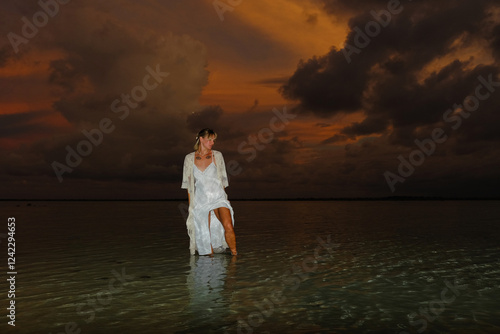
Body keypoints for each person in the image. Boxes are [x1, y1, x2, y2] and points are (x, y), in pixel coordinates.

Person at [181, 128, 237, 256]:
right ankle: (209, 267)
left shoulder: (217, 155)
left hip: (218, 197)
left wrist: (225, 197)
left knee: (228, 226)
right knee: (205, 236)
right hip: (201, 200)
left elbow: (223, 179)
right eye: (210, 139)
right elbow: (189, 186)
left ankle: (235, 257)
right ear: (201, 139)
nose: (212, 142)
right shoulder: (189, 159)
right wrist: (191, 207)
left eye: (214, 140)